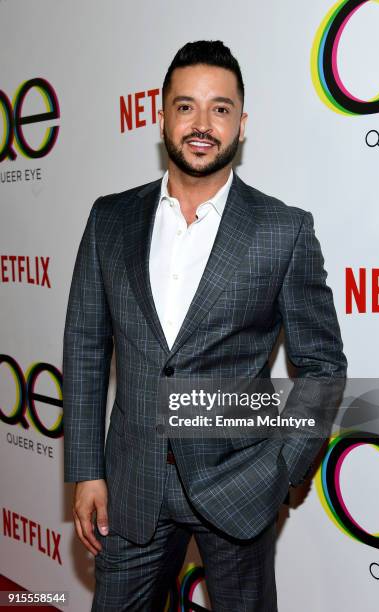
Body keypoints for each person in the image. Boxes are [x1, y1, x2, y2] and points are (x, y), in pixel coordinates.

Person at [63, 40, 347, 611]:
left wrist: (280, 470)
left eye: (220, 109)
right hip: (131, 485)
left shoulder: (282, 229)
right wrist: (87, 470)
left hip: (238, 487)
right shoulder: (109, 219)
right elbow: (86, 348)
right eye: (186, 106)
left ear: (241, 125)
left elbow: (323, 366)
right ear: (160, 115)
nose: (202, 124)